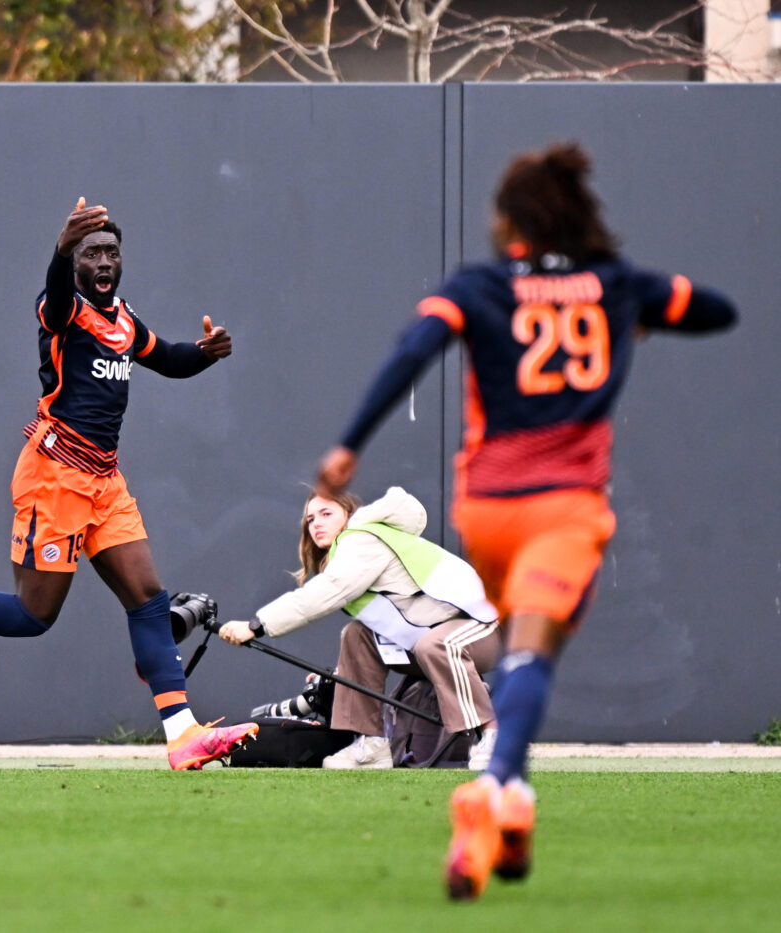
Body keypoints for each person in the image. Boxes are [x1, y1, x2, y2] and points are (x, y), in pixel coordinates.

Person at [315, 143, 738, 900]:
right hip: (565, 504)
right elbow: (716, 310)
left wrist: (350, 442)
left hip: (489, 509)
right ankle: (502, 785)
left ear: (510, 222)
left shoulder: (479, 286)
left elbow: (413, 348)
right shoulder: (616, 284)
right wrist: (636, 310)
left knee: (514, 647)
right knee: (536, 643)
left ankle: (510, 795)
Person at [0, 198, 258, 770]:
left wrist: (205, 355)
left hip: (104, 481)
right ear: (75, 263)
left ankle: (182, 732)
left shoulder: (124, 318)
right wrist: (59, 249)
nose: (104, 262)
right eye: (92, 253)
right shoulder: (61, 308)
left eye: (112, 253)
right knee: (33, 616)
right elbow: (57, 292)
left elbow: (166, 358)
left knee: (147, 598)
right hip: (54, 478)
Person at [218, 486, 500, 770]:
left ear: (350, 516)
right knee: (356, 634)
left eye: (326, 513)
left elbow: (325, 593)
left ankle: (496, 735)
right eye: (310, 519)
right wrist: (345, 669)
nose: (316, 523)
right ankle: (372, 744)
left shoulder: (361, 539)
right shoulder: (345, 556)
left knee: (436, 644)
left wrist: (257, 625)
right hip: (426, 644)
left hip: (484, 628)